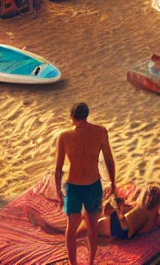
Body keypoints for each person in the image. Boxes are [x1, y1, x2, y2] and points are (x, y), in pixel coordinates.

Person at [54, 103, 117, 265]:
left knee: (72, 227)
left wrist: (58, 191)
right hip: (93, 185)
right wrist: (113, 183)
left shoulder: (64, 136)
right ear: (87, 115)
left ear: (72, 117)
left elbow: (58, 168)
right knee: (92, 227)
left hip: (75, 187)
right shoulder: (101, 132)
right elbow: (109, 161)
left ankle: (73, 263)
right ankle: (90, 263)